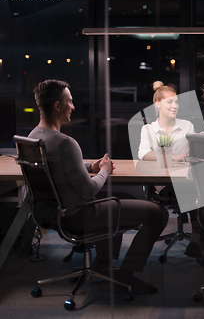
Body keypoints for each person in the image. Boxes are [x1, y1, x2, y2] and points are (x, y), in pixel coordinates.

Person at [29, 79, 168, 294]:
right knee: (158, 213)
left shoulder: (33, 137)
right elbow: (89, 190)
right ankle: (126, 274)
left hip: (53, 212)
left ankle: (103, 264)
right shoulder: (66, 143)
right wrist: (104, 169)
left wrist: (90, 165)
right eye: (70, 102)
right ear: (57, 106)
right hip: (79, 215)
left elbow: (59, 165)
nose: (73, 107)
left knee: (118, 196)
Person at [138, 81, 204, 267]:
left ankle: (197, 240)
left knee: (199, 187)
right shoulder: (148, 129)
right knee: (196, 190)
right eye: (169, 102)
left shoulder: (187, 125)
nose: (175, 106)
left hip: (189, 179)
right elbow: (144, 154)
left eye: (176, 102)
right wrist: (174, 157)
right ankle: (201, 243)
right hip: (164, 184)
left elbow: (194, 152)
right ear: (156, 103)